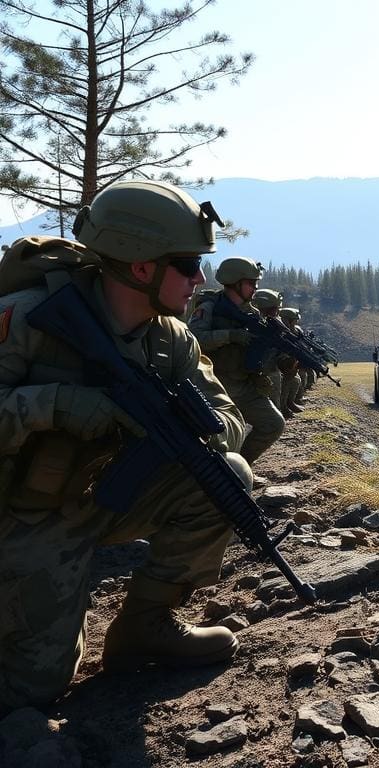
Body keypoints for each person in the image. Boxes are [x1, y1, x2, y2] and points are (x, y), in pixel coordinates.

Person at [0, 180, 249, 714]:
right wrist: (55, 404)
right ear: (141, 266)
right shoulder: (27, 318)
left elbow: (232, 420)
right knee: (34, 691)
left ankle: (144, 626)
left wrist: (187, 424)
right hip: (19, 516)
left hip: (104, 499)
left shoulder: (171, 339)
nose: (199, 279)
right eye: (187, 264)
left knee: (225, 475)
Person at [188, 257, 285, 461]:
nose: (255, 288)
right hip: (213, 387)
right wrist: (230, 335)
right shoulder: (209, 307)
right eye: (251, 283)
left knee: (273, 424)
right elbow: (193, 338)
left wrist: (260, 371)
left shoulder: (253, 313)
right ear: (235, 282)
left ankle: (243, 465)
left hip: (243, 386)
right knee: (219, 437)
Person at [249, 288, 285, 411]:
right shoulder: (251, 321)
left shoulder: (270, 324)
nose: (277, 313)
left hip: (266, 370)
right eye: (274, 309)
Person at [278, 306, 304, 417]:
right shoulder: (279, 331)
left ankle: (289, 402)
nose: (295, 323)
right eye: (294, 320)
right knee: (284, 382)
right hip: (276, 366)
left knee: (295, 380)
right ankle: (282, 407)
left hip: (287, 365)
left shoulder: (293, 331)